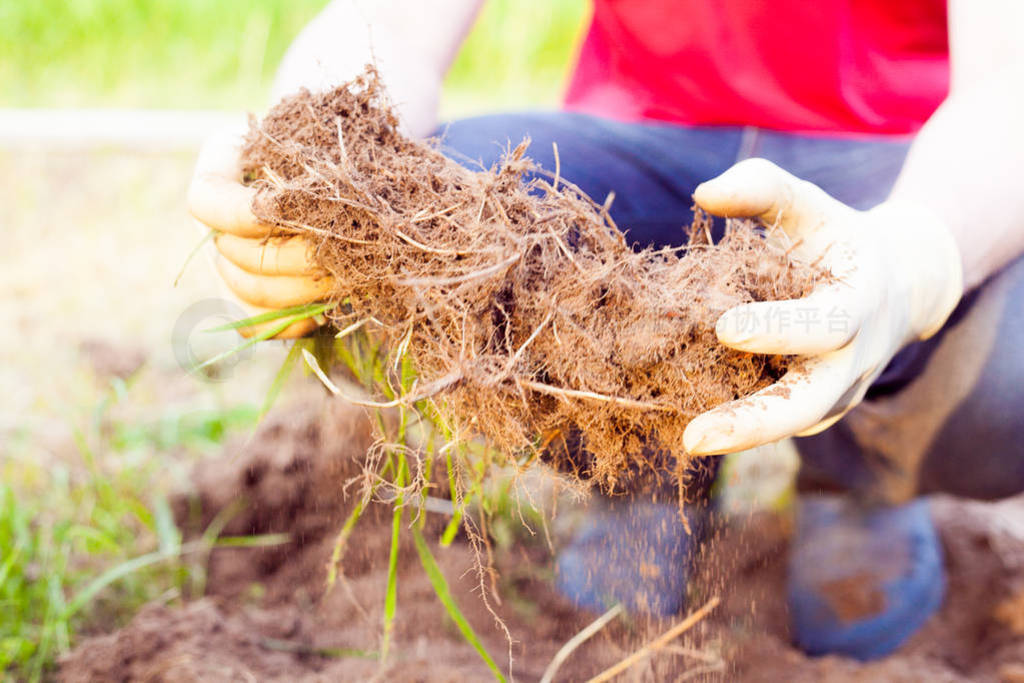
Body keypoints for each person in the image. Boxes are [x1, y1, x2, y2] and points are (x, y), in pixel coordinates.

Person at [188, 0, 1024, 660]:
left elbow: (1008, 78)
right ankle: (644, 470)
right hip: (644, 139)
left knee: (1009, 350)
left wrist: (912, 257)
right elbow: (397, 18)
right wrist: (305, 168)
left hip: (903, 156)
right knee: (421, 240)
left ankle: (862, 482)